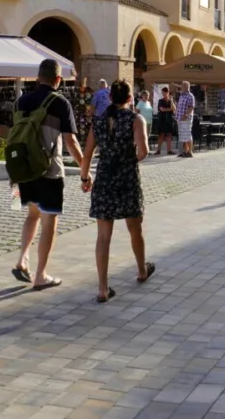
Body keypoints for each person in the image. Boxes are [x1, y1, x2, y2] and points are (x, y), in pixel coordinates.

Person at [12, 59, 86, 291]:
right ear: (58, 80)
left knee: (32, 214)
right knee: (49, 220)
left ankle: (23, 259)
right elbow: (71, 141)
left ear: (37, 77)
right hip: (48, 171)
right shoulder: (59, 102)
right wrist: (85, 169)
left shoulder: (21, 101)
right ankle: (41, 275)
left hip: (19, 169)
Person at [81, 80, 153, 304]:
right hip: (127, 179)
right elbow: (143, 151)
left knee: (103, 236)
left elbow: (87, 154)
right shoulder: (135, 119)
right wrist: (129, 158)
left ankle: (102, 288)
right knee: (134, 227)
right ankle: (141, 270)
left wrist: (85, 177)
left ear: (110, 97)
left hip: (104, 179)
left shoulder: (99, 121)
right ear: (130, 99)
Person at [176, 80, 195, 158]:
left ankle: (190, 151)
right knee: (182, 135)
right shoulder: (182, 95)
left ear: (186, 87)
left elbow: (191, 107)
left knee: (187, 134)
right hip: (180, 118)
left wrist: (186, 115)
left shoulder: (190, 96)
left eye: (182, 86)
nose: (181, 87)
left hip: (186, 118)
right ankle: (185, 151)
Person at [155, 87, 176, 155]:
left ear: (168, 92)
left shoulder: (170, 101)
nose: (163, 93)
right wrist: (170, 109)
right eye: (162, 92)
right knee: (161, 135)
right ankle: (158, 150)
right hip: (162, 119)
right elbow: (162, 109)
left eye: (165, 92)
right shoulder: (160, 101)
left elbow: (174, 109)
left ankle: (169, 150)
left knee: (169, 135)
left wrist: (171, 100)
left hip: (169, 120)